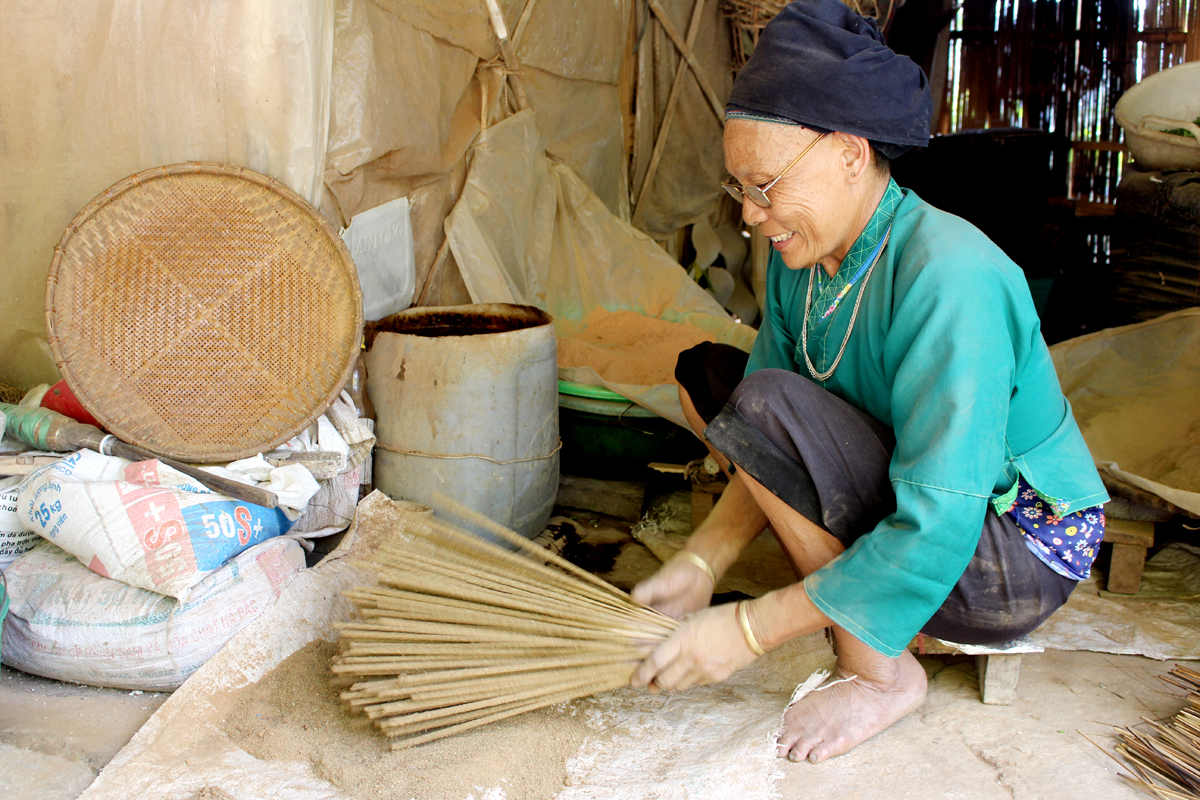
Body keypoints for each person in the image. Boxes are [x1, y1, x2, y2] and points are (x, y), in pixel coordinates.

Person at [629, 0, 1108, 764]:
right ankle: (868, 609)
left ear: (852, 154)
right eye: (739, 190)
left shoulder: (951, 278)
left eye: (766, 186)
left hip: (1009, 553)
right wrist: (701, 562)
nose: (751, 215)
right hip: (939, 511)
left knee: (766, 401)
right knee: (728, 382)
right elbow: (761, 435)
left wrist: (748, 630)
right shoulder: (804, 259)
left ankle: (881, 673)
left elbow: (940, 523)